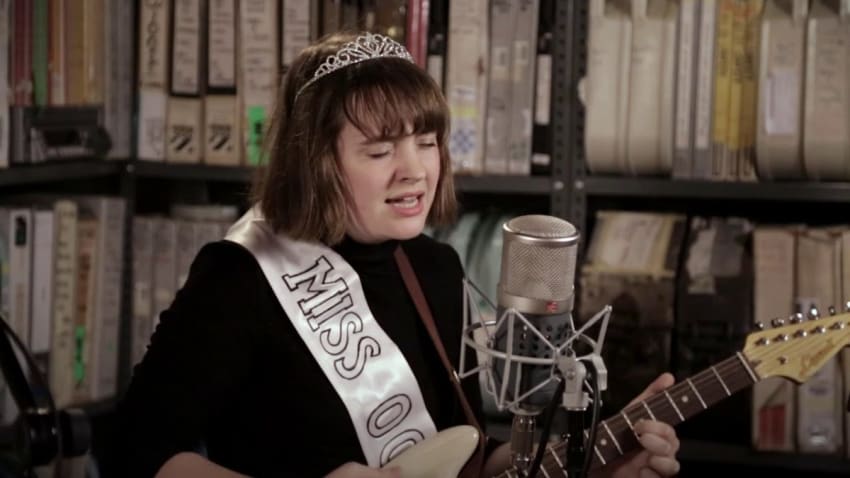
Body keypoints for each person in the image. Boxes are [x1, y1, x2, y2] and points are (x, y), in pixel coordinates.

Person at [109, 31, 681, 478]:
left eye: (427, 143)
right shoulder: (239, 278)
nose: (415, 172)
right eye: (380, 149)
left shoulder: (434, 267)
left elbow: (464, 459)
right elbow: (134, 453)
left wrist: (587, 458)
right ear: (317, 162)